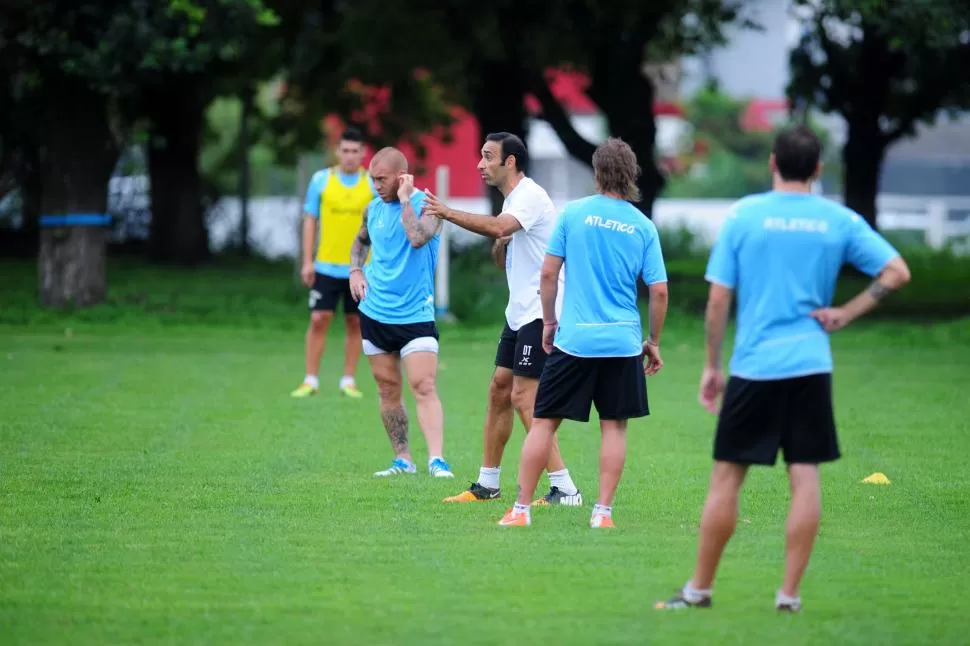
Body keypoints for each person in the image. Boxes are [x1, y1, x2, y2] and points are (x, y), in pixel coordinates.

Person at [655, 125, 911, 613]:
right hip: (811, 364)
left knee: (727, 478)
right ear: (817, 170)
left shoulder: (744, 216)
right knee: (805, 476)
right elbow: (897, 272)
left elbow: (717, 299)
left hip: (755, 365)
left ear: (773, 163)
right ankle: (788, 597)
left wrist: (711, 366)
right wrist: (846, 313)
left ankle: (699, 592)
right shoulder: (839, 220)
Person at [496, 137, 669, 529]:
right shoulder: (643, 226)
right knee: (614, 426)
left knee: (544, 422)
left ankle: (520, 510)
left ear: (596, 173)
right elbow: (659, 290)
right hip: (623, 343)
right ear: (632, 174)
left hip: (574, 340)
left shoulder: (572, 215)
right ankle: (602, 513)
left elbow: (547, 273)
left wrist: (549, 322)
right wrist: (653, 342)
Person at [422, 132, 582, 506]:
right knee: (498, 391)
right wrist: (501, 246)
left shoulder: (529, 196)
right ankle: (488, 484)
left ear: (510, 162)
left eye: (487, 156)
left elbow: (499, 226)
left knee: (524, 397)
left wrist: (446, 211)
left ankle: (566, 488)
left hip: (543, 312)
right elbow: (505, 255)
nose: (480, 164)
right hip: (519, 312)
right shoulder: (513, 200)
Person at [348, 146, 454, 479]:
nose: (375, 185)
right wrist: (355, 270)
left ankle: (436, 460)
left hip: (415, 316)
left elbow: (418, 238)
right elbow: (361, 240)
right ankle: (403, 459)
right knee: (387, 390)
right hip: (375, 312)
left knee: (423, 385)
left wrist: (407, 200)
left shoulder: (428, 205)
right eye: (372, 179)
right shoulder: (372, 209)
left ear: (401, 176)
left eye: (381, 179)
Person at [291, 127, 377, 399]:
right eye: (345, 151)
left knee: (355, 323)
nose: (350, 156)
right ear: (337, 151)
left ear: (363, 153)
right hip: (326, 265)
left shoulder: (372, 183)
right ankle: (310, 379)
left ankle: (348, 380)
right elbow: (310, 221)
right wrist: (308, 261)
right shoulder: (321, 180)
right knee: (319, 318)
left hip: (360, 269)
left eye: (355, 151)